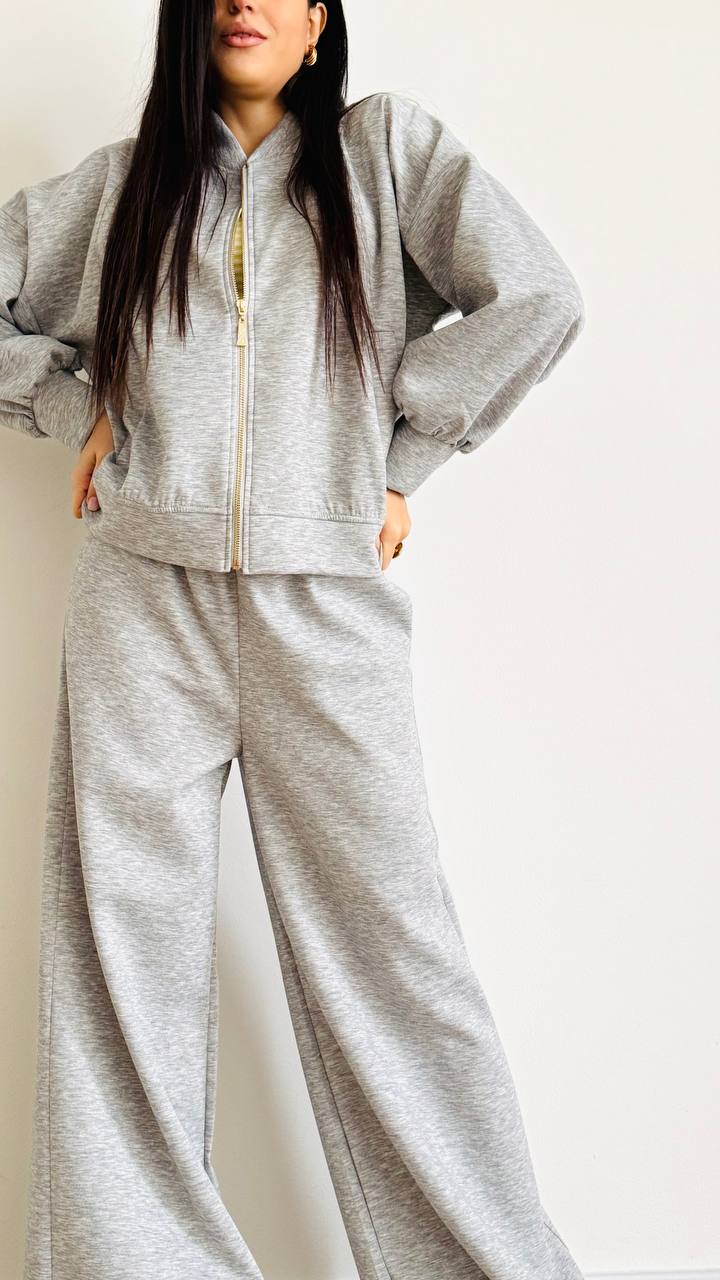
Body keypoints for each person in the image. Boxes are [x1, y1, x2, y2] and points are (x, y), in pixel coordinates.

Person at [0, 2, 587, 1278]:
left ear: (321, 23)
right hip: (142, 600)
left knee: (397, 959)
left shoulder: (385, 156)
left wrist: (402, 456)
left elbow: (538, 295)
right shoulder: (127, 187)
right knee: (119, 962)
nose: (245, 0)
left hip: (324, 607)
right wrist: (66, 400)